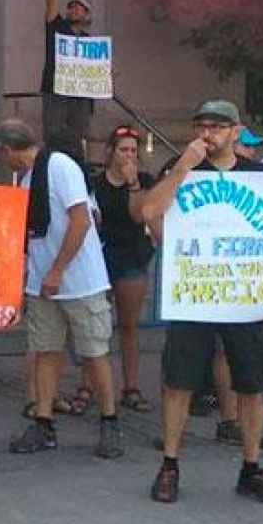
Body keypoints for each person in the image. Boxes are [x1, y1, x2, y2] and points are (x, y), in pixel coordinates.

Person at [137, 100, 263, 507]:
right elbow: (149, 211)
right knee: (178, 383)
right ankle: (169, 464)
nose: (209, 133)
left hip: (244, 295)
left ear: (236, 131)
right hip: (194, 295)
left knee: (252, 385)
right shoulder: (183, 169)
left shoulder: (261, 176)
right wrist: (184, 166)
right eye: (202, 125)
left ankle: (251, 468)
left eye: (219, 126)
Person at [1, 120, 124, 460]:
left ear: (10, 150)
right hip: (43, 282)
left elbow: (81, 220)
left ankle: (109, 419)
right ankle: (43, 421)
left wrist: (57, 270)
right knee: (45, 351)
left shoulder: (59, 166)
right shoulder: (24, 178)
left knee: (94, 352)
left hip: (79, 280)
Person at [92, 125, 156, 413]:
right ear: (111, 152)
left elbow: (138, 214)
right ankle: (89, 386)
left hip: (132, 256)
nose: (128, 155)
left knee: (128, 326)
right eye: (123, 149)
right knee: (96, 326)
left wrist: (133, 185)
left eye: (133, 150)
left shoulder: (143, 180)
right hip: (103, 256)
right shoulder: (96, 183)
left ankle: (131, 386)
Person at [40, 0, 95, 159]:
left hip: (79, 96)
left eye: (79, 8)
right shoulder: (57, 27)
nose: (74, 10)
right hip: (55, 91)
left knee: (77, 135)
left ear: (86, 15)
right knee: (53, 134)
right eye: (71, 7)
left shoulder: (89, 41)